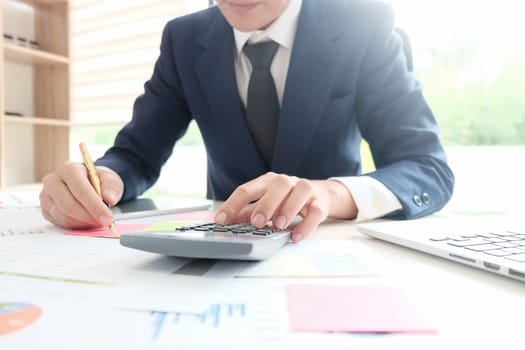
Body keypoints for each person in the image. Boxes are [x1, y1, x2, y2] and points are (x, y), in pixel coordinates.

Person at [39, 0, 454, 243]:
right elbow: (136, 154)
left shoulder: (361, 22)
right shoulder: (183, 38)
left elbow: (426, 169)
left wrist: (330, 194)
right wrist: (105, 179)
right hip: (217, 249)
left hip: (326, 243)